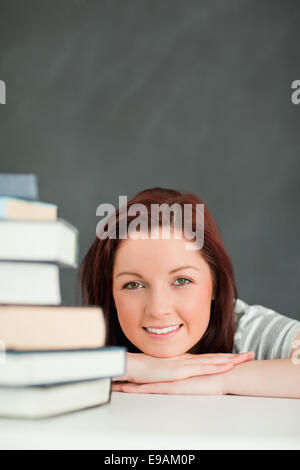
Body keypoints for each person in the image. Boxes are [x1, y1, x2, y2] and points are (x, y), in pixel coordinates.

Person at [79, 187, 300, 398]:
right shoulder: (90, 334)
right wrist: (131, 365)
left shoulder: (244, 328)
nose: (158, 309)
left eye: (182, 280)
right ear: (111, 293)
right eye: (133, 285)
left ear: (215, 284)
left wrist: (218, 379)